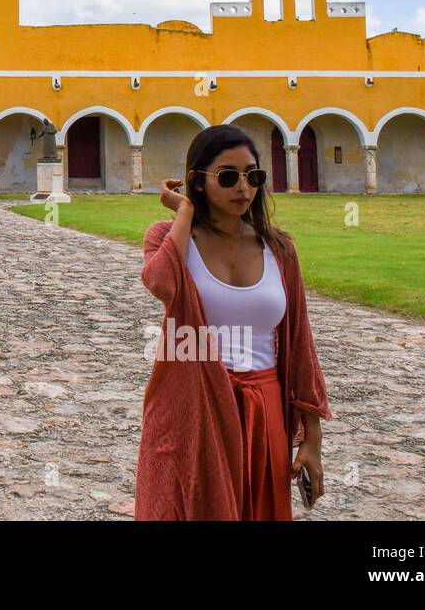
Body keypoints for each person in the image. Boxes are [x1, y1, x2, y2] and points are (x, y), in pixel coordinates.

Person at [135, 123, 332, 520]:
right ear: (197, 181)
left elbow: (299, 344)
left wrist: (312, 439)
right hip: (193, 407)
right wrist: (185, 211)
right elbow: (160, 282)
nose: (243, 187)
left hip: (264, 410)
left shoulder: (279, 248)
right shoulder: (170, 238)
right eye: (228, 177)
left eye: (253, 175)